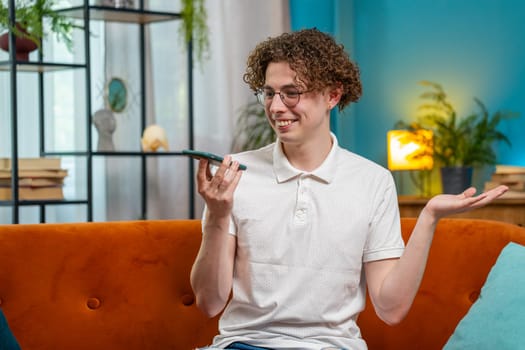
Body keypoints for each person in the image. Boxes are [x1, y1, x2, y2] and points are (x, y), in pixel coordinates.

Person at [190, 28, 508, 350]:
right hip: (245, 344)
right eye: (269, 93)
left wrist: (429, 218)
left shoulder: (373, 182)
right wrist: (218, 215)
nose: (275, 107)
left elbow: (391, 308)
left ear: (333, 95)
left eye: (291, 92)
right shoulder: (234, 175)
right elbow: (209, 302)